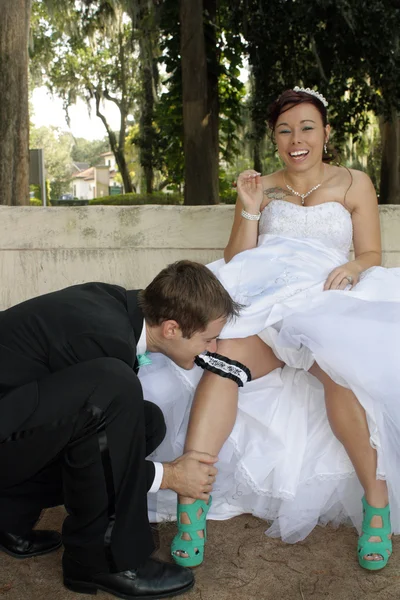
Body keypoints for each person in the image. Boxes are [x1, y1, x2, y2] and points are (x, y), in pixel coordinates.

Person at [138, 87, 400, 572]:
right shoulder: (264, 183)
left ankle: (376, 506)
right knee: (221, 364)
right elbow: (239, 258)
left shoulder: (354, 183)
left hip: (324, 294)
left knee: (341, 373)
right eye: (284, 130)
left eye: (306, 127)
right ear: (274, 137)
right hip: (263, 296)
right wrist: (250, 206)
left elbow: (370, 253)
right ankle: (193, 505)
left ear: (325, 132)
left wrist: (355, 270)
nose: (295, 138)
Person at [0, 260, 241, 599]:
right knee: (115, 387)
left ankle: (9, 515)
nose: (213, 349)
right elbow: (90, 454)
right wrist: (169, 476)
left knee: (144, 423)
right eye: (209, 339)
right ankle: (106, 561)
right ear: (172, 328)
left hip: (11, 418)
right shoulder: (103, 339)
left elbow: (74, 439)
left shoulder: (115, 307)